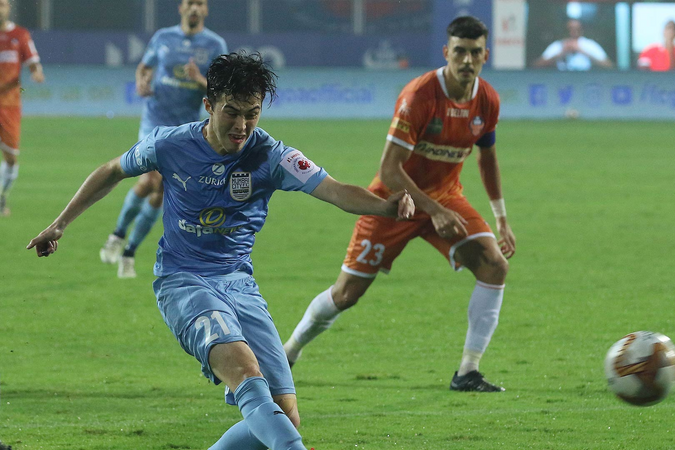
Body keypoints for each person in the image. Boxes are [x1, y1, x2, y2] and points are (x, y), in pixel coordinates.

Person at [28, 52, 415, 450]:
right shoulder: (170, 144)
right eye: (232, 112)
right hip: (184, 281)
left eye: (252, 113)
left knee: (284, 415)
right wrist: (60, 223)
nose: (242, 125)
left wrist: (385, 207)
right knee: (247, 374)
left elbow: (333, 189)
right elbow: (113, 170)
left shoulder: (271, 154)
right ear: (209, 105)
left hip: (239, 284)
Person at [282, 16, 517, 393]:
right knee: (346, 294)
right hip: (394, 203)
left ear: (485, 55)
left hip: (446, 198)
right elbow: (390, 170)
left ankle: (468, 371)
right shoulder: (419, 96)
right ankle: (288, 352)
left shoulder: (487, 99)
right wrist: (433, 210)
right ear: (446, 52)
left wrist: (500, 217)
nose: (467, 60)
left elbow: (487, 158)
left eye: (475, 53)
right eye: (460, 51)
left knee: (494, 265)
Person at [99, 0, 227, 279]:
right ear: (181, 8)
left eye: (200, 4)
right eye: (190, 3)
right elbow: (144, 67)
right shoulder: (163, 37)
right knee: (149, 180)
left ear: (205, 10)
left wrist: (199, 79)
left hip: (185, 128)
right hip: (154, 119)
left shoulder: (215, 45)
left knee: (161, 190)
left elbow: (221, 90)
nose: (194, 8)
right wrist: (141, 81)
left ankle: (129, 251)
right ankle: (117, 236)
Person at [0, 0, 44, 216]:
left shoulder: (20, 34)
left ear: (8, 7)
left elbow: (32, 60)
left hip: (9, 105)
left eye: (1, 4)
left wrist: (36, 71)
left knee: (11, 158)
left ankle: (2, 196)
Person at [532, 19, 612, 71]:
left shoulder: (589, 45)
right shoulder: (558, 45)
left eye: (576, 29)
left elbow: (608, 65)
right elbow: (536, 66)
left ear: (581, 30)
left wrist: (582, 51)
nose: (573, 32)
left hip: (585, 81)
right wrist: (561, 53)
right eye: (570, 29)